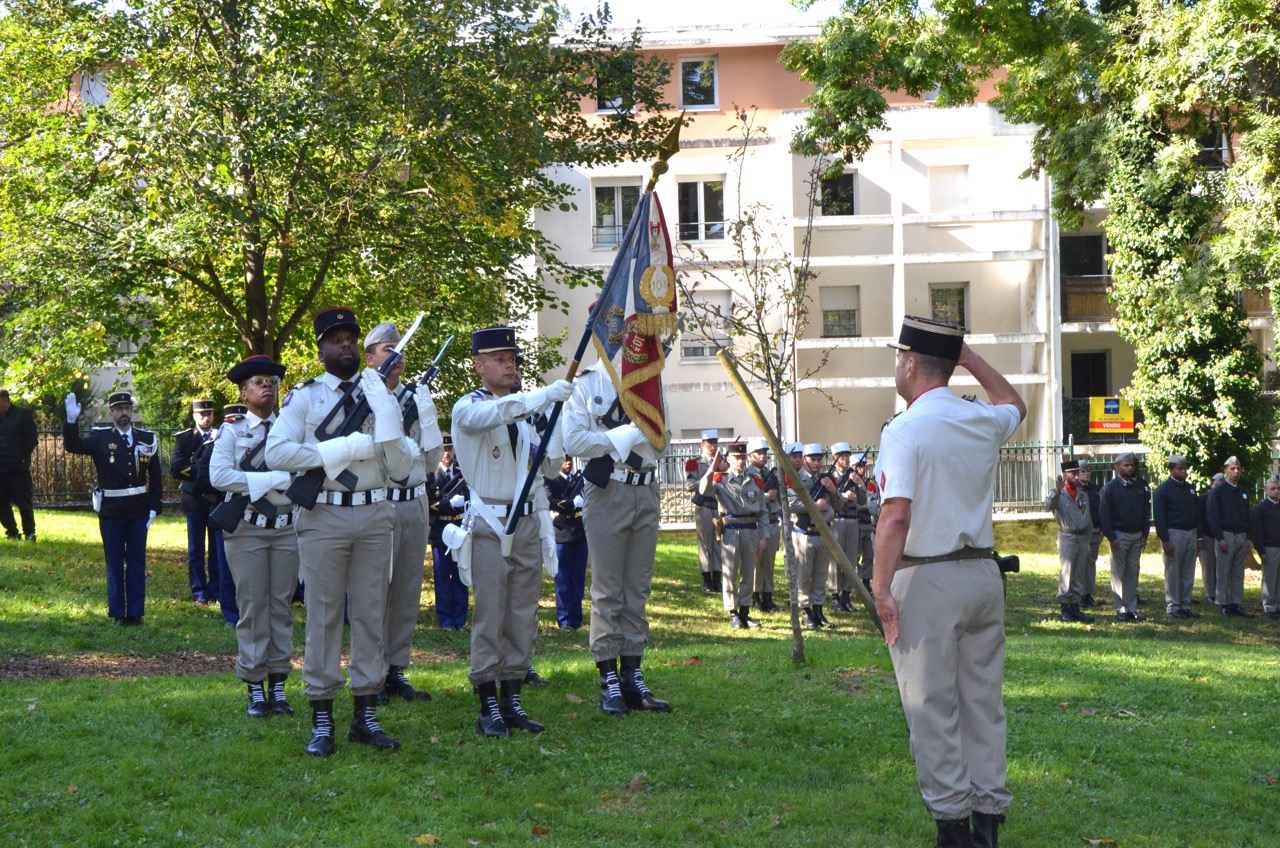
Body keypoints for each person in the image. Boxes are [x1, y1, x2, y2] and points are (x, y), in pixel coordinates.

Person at [872, 315, 1025, 848]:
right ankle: (988, 822)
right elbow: (1015, 406)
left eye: (899, 357)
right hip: (982, 571)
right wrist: (971, 359)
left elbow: (896, 515)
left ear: (910, 363)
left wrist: (880, 587)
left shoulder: (906, 427)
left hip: (928, 577)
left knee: (931, 705)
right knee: (983, 700)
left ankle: (953, 828)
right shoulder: (978, 420)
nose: (897, 366)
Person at [265, 307, 416, 756]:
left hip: (374, 513)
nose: (346, 344)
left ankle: (366, 715)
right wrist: (339, 448)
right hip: (325, 514)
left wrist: (385, 410)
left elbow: (402, 463)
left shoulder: (380, 392)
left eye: (351, 336)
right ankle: (323, 717)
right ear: (322, 349)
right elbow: (277, 453)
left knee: (372, 615)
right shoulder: (306, 398)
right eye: (336, 338)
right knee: (325, 616)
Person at [450, 326, 571, 737]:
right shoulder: (469, 407)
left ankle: (512, 696)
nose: (510, 366)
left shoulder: (528, 416)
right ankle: (487, 700)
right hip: (489, 522)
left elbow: (548, 470)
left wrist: (553, 423)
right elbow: (493, 415)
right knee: (491, 612)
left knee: (522, 612)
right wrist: (540, 398)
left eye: (513, 359)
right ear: (479, 365)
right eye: (500, 360)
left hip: (526, 522)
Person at [562, 357, 672, 715]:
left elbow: (662, 442)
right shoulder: (587, 383)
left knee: (637, 589)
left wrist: (646, 431)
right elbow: (574, 440)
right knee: (608, 589)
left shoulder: (651, 381)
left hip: (647, 488)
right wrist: (622, 435)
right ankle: (608, 676)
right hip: (609, 489)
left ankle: (632, 674)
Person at [208, 355, 300, 718]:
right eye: (259, 382)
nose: (267, 386)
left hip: (287, 529)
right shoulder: (232, 431)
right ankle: (254, 686)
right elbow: (219, 477)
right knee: (252, 607)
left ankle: (278, 683)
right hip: (246, 529)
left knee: (281, 607)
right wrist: (270, 480)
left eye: (272, 382)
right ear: (244, 393)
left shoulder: (290, 430)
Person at [363, 322, 444, 704]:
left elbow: (431, 459)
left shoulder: (416, 396)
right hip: (380, 499)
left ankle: (397, 668)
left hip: (415, 499)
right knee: (377, 589)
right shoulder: (363, 397)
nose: (397, 354)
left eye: (400, 347)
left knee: (408, 589)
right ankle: (372, 671)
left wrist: (427, 414)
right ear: (370, 357)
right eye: (387, 348)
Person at [63, 390, 163, 625]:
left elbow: (156, 476)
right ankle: (117, 613)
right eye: (118, 409)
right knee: (115, 562)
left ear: (131, 411)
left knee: (137, 562)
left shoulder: (146, 439)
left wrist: (154, 506)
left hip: (138, 509)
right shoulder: (99, 439)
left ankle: (136, 613)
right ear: (111, 413)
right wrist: (70, 422)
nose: (124, 413)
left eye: (127, 409)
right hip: (111, 510)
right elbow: (73, 446)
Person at [699, 441, 766, 630]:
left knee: (748, 573)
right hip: (731, 531)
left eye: (742, 458)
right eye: (736, 458)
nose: (740, 461)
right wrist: (711, 469)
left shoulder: (755, 480)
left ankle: (745, 611)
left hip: (751, 531)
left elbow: (762, 511)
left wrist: (765, 535)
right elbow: (703, 490)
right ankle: (733, 612)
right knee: (729, 573)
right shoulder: (720, 480)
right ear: (728, 459)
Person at [172, 398, 223, 606]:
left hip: (215, 499)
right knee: (196, 549)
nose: (206, 418)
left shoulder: (221, 437)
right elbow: (176, 468)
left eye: (209, 414)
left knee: (217, 549)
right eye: (201, 414)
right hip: (194, 501)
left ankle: (216, 589)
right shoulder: (185, 439)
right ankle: (199, 591)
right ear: (194, 416)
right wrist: (202, 470)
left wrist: (200, 470)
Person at [789, 443, 841, 630]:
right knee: (804, 575)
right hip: (804, 535)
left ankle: (818, 610)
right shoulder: (795, 479)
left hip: (823, 533)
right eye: (813, 460)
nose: (817, 463)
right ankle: (806, 610)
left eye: (819, 460)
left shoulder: (826, 479)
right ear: (804, 460)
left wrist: (833, 491)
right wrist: (814, 506)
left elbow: (839, 505)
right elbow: (792, 505)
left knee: (820, 574)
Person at [1099, 452, 1151, 622]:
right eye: (1125, 465)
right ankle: (1120, 608)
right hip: (1119, 535)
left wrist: (1144, 534)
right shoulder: (1110, 489)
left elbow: (1145, 513)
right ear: (1117, 467)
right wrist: (1112, 538)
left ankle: (1131, 608)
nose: (1129, 468)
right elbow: (1105, 516)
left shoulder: (1139, 487)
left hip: (1137, 535)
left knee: (1133, 572)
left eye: (1131, 465)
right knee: (1119, 572)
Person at [427, 435, 470, 631]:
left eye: (450, 448)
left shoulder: (462, 474)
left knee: (460, 575)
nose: (447, 452)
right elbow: (427, 504)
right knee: (443, 577)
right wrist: (447, 504)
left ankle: (460, 619)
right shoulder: (431, 475)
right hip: (441, 531)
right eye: (444, 449)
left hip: (460, 530)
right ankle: (445, 619)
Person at [1046, 459, 1094, 623]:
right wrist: (1057, 492)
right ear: (1065, 475)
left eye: (1077, 473)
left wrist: (1088, 539)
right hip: (1067, 536)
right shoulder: (1058, 493)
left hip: (1082, 537)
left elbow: (1087, 517)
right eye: (1072, 473)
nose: (1076, 476)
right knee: (1067, 572)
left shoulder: (1082, 494)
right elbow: (1048, 506)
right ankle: (1064, 607)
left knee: (1079, 573)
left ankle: (1075, 605)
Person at [1152, 456, 1200, 620]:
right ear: (1171, 469)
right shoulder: (1163, 490)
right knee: (1173, 571)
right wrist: (1165, 540)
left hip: (1190, 532)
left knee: (1188, 570)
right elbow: (1160, 517)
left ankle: (1185, 604)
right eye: (1179, 468)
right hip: (1174, 533)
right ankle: (1173, 605)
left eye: (1185, 468)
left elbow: (1196, 512)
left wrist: (1198, 537)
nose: (1183, 471)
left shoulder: (1190, 488)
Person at [545, 457, 588, 631]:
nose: (568, 463)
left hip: (579, 532)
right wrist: (571, 504)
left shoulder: (578, 480)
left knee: (577, 577)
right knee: (563, 578)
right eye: (564, 459)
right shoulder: (550, 480)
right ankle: (565, 619)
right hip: (562, 533)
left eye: (570, 459)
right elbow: (550, 501)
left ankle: (576, 617)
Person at [1207, 455, 1253, 618]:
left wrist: (1249, 536)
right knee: (1224, 570)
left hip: (1241, 535)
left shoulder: (1243, 491)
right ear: (1225, 470)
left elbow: (1247, 515)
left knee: (1238, 571)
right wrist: (1220, 538)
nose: (1236, 471)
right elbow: (1213, 516)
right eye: (1232, 468)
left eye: (1238, 468)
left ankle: (1236, 603)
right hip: (1226, 534)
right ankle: (1225, 604)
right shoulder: (1218, 491)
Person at [685, 430, 723, 593]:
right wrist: (708, 478)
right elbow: (690, 485)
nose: (713, 446)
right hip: (704, 507)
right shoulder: (695, 463)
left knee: (719, 544)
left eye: (715, 443)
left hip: (719, 507)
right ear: (702, 444)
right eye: (709, 443)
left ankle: (717, 579)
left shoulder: (724, 462)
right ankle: (707, 580)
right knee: (705, 545)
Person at [747, 437, 782, 613]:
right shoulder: (748, 474)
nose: (763, 456)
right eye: (758, 453)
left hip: (773, 521)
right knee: (756, 563)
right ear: (750, 456)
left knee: (769, 562)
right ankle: (755, 597)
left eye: (765, 453)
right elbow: (748, 498)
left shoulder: (769, 474)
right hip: (757, 524)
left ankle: (768, 595)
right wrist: (766, 496)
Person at [0, 388, 39, 541]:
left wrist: (22, 456)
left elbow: (32, 438)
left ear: (4, 400)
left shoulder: (22, 415)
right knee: (1, 503)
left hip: (17, 468)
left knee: (23, 501)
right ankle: (12, 532)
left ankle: (29, 532)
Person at [827, 442, 862, 613]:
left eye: (848, 456)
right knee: (835, 560)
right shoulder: (830, 477)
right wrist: (843, 495)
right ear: (835, 458)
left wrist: (860, 484)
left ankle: (846, 595)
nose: (846, 459)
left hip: (852, 519)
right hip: (837, 519)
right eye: (842, 456)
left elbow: (863, 500)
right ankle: (835, 595)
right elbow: (829, 498)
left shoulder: (853, 475)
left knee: (851, 559)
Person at [1249, 476, 1280, 620]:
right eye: (1273, 489)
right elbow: (1257, 532)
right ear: (1266, 490)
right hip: (1269, 547)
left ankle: (1278, 605)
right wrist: (1261, 551)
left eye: (1278, 488)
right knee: (1270, 578)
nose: (1276, 491)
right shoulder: (1260, 509)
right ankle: (1269, 606)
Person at [1078, 463, 1103, 608]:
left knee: (1091, 562)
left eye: (1088, 471)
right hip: (1081, 531)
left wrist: (1102, 530)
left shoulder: (1095, 489)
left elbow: (1101, 509)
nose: (1086, 474)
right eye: (1083, 471)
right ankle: (1080, 593)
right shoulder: (1077, 489)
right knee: (1081, 562)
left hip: (1095, 530)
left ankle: (1088, 594)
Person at [1199, 473, 1225, 604]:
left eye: (1220, 486)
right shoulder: (1203, 498)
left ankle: (1220, 592)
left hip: (1221, 536)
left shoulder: (1226, 499)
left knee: (1221, 565)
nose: (1217, 488)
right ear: (1211, 485)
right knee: (1208, 564)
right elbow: (1199, 518)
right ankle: (1210, 593)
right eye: (1215, 485)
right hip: (1207, 535)